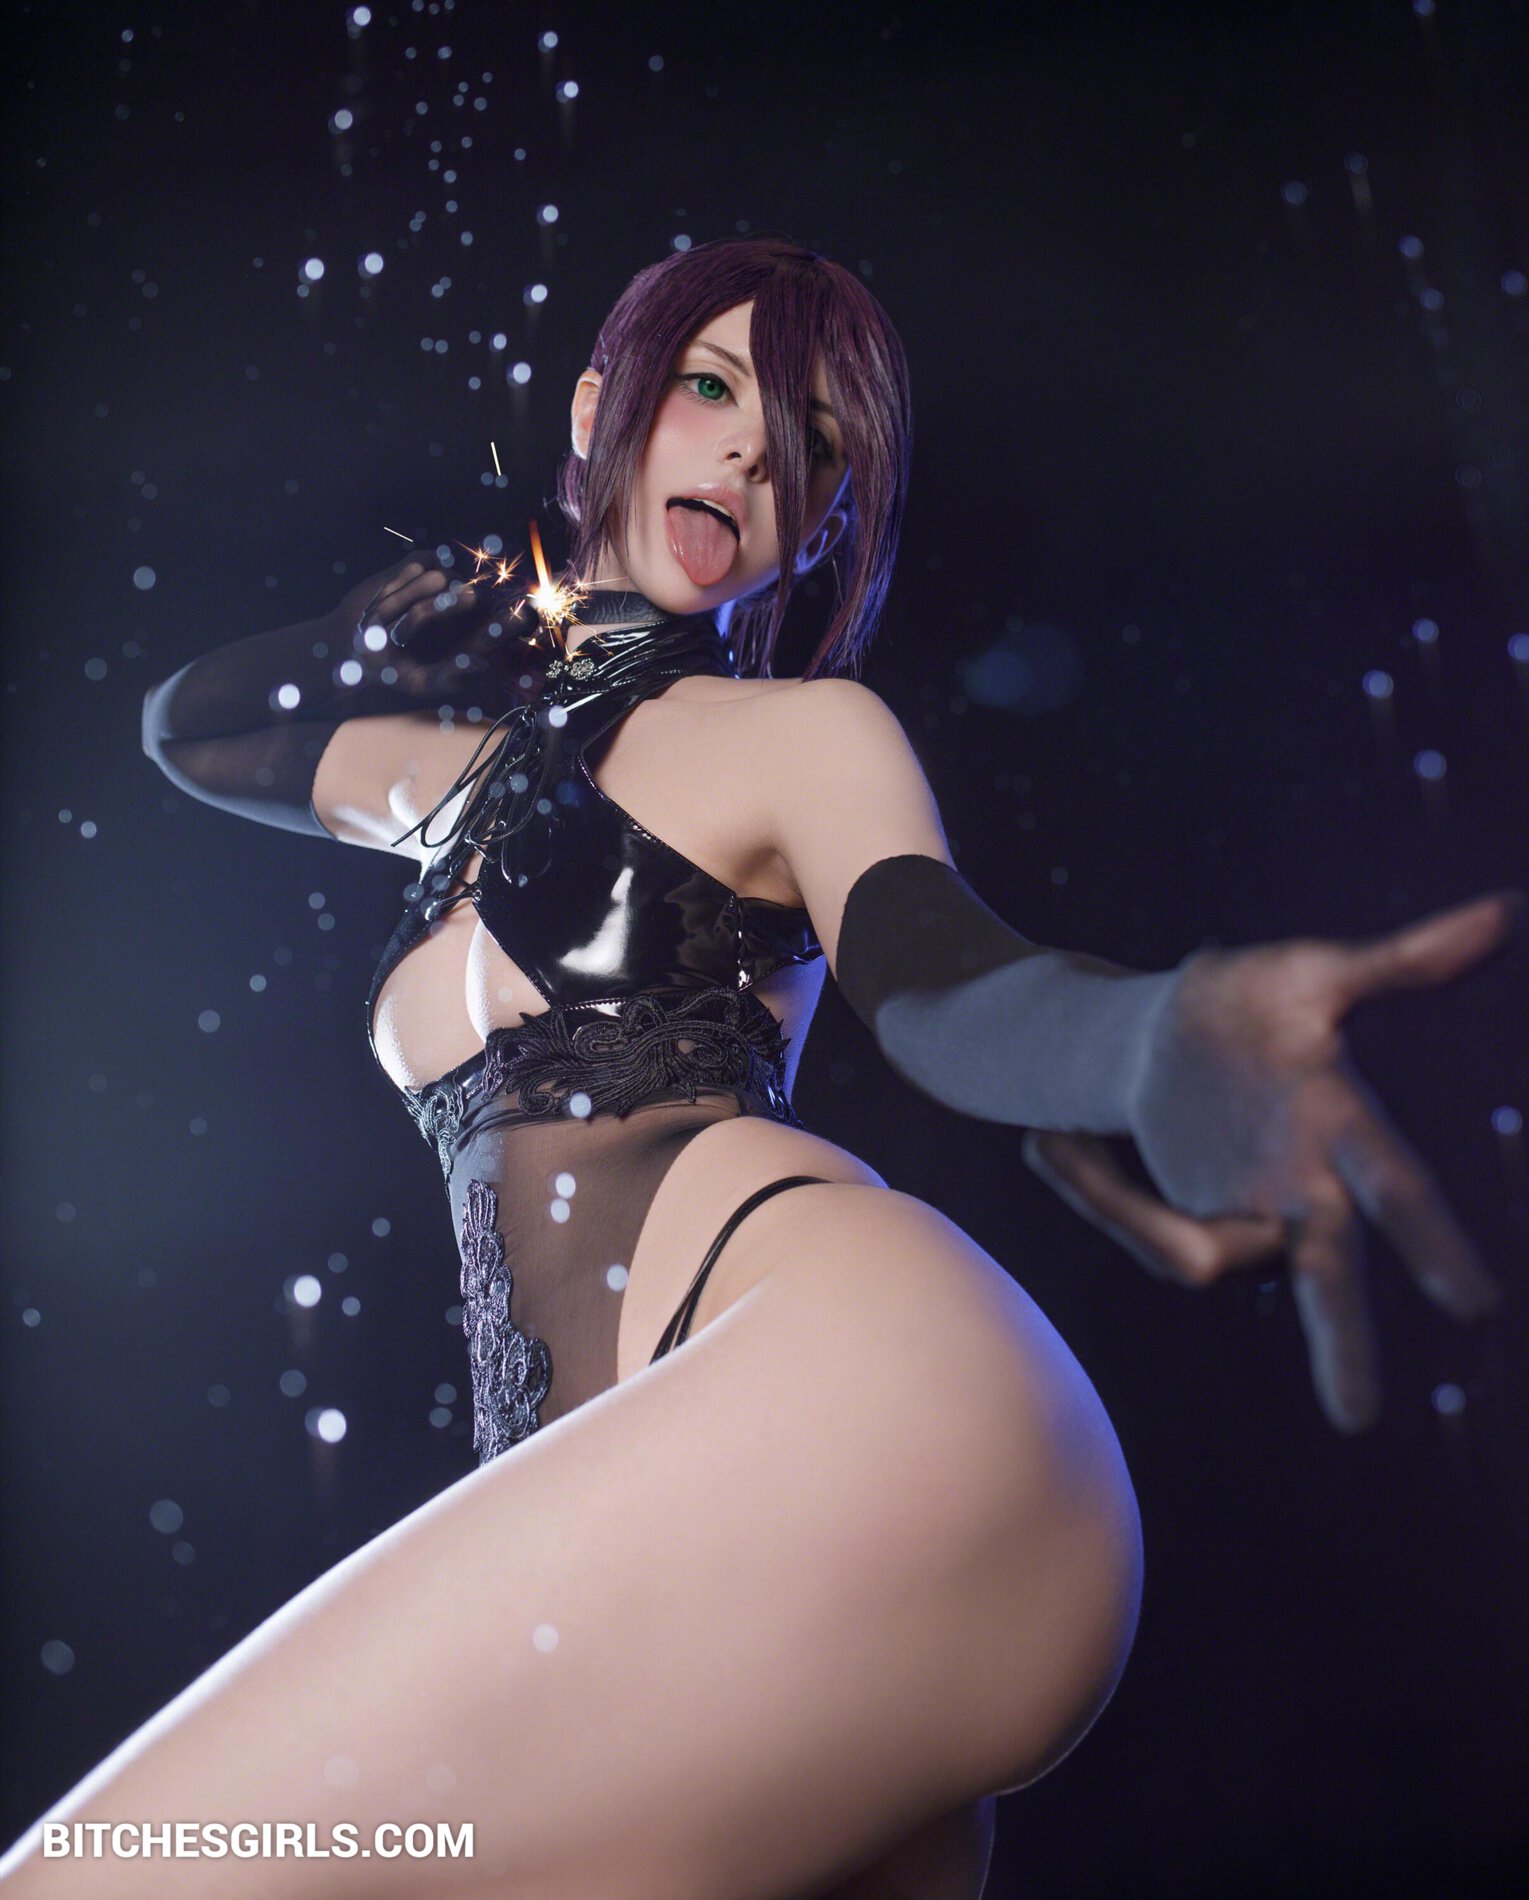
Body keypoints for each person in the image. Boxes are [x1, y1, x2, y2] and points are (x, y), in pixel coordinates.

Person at [1, 236, 1513, 1899]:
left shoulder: (804, 736)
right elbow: (192, 727)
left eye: (809, 443)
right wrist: (392, 630)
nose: (742, 451)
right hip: (694, 1557)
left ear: (830, 516)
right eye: (707, 387)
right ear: (600, 407)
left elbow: (945, 990)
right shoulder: (446, 785)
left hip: (855, 1396)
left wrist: (1150, 1036)